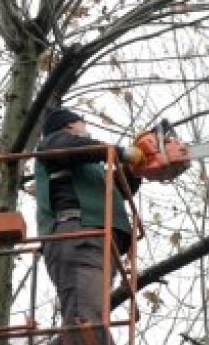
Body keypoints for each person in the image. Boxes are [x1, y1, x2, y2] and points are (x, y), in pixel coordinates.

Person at [35, 108, 143, 329]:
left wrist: (134, 169)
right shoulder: (54, 143)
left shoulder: (89, 167)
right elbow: (72, 148)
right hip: (77, 234)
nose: (86, 129)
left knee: (90, 312)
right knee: (83, 320)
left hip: (94, 239)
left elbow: (116, 191)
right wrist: (120, 152)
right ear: (69, 126)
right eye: (83, 123)